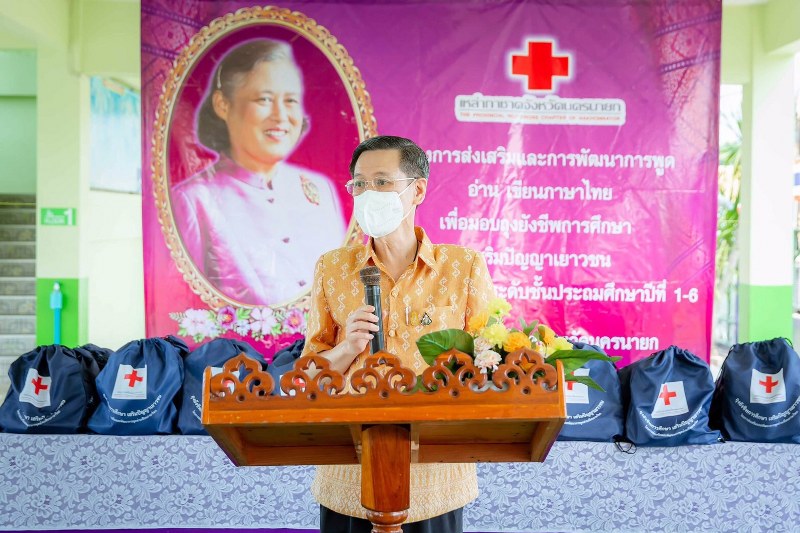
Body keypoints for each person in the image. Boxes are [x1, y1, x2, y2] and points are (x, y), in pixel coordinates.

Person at [302, 136, 496, 532]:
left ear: (417, 190)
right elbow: (308, 376)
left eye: (382, 182)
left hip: (435, 478)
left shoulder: (463, 266)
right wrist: (347, 348)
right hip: (349, 475)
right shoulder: (332, 268)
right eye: (359, 183)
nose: (368, 193)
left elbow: (490, 359)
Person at [171, 39, 346, 306]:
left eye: (291, 100)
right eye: (264, 99)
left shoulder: (320, 189)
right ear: (222, 105)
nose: (281, 115)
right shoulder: (194, 200)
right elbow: (183, 301)